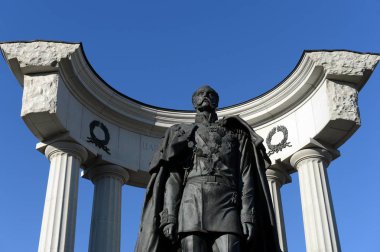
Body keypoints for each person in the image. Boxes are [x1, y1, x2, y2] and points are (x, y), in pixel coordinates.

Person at [135, 86, 281, 252]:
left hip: (227, 203)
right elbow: (173, 179)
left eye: (210, 94)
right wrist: (170, 216)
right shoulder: (182, 134)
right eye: (200, 94)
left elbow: (245, 177)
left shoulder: (236, 134)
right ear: (194, 102)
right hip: (191, 204)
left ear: (216, 102)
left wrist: (247, 214)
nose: (205, 96)